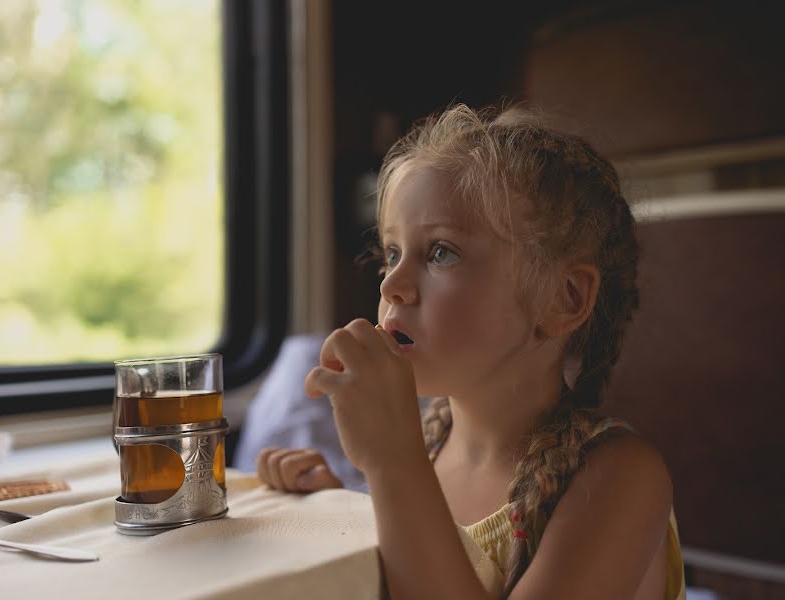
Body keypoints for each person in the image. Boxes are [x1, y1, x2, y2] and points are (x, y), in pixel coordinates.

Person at [256, 103, 685, 599]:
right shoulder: (431, 443)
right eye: (392, 254)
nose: (392, 284)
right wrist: (333, 510)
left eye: (442, 252)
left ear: (562, 299)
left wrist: (394, 462)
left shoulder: (620, 479)